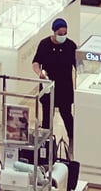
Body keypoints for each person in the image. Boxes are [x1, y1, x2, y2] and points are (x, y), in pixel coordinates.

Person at [32, 17, 77, 146]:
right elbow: (36, 62)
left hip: (64, 87)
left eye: (64, 34)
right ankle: (46, 143)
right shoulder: (44, 44)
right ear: (54, 32)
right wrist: (39, 73)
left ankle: (73, 139)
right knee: (47, 117)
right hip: (48, 87)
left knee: (66, 115)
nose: (62, 36)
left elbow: (78, 66)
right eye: (60, 34)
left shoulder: (70, 46)